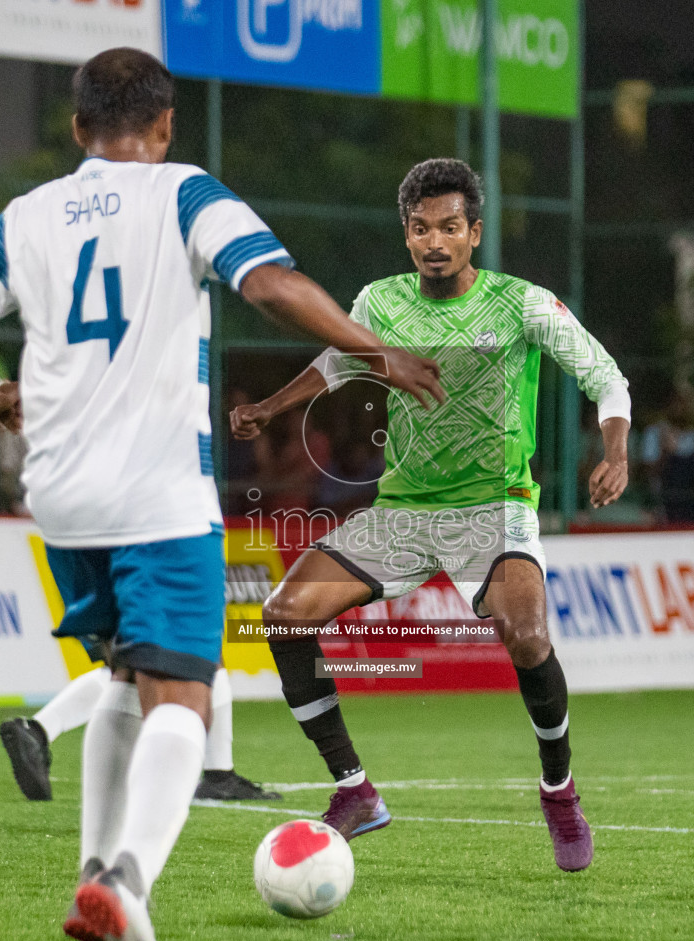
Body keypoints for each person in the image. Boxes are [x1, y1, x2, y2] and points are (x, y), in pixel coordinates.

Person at [0, 48, 441, 941]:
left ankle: (91, 874)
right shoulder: (185, 193)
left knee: (124, 678)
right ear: (164, 126)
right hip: (158, 490)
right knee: (186, 704)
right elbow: (271, 283)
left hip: (63, 498)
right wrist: (381, 351)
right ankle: (129, 879)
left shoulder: (23, 218)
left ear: (78, 128)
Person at [232, 158, 629, 873]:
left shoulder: (521, 303)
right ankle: (354, 791)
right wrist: (268, 409)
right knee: (284, 615)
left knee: (528, 634)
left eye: (450, 227)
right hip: (403, 512)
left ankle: (559, 792)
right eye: (421, 229)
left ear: (475, 232)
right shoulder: (381, 300)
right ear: (407, 235)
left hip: (494, 508)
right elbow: (338, 363)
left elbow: (605, 376)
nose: (435, 241)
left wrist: (616, 450)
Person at [0, 665, 281, 802]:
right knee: (198, 651)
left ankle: (37, 730)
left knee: (126, 660)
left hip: (104, 554)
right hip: (157, 553)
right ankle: (219, 775)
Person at [638, 388, 694, 522]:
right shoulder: (654, 433)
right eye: (675, 404)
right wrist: (665, 452)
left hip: (688, 498)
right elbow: (648, 473)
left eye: (683, 404)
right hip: (662, 496)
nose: (679, 408)